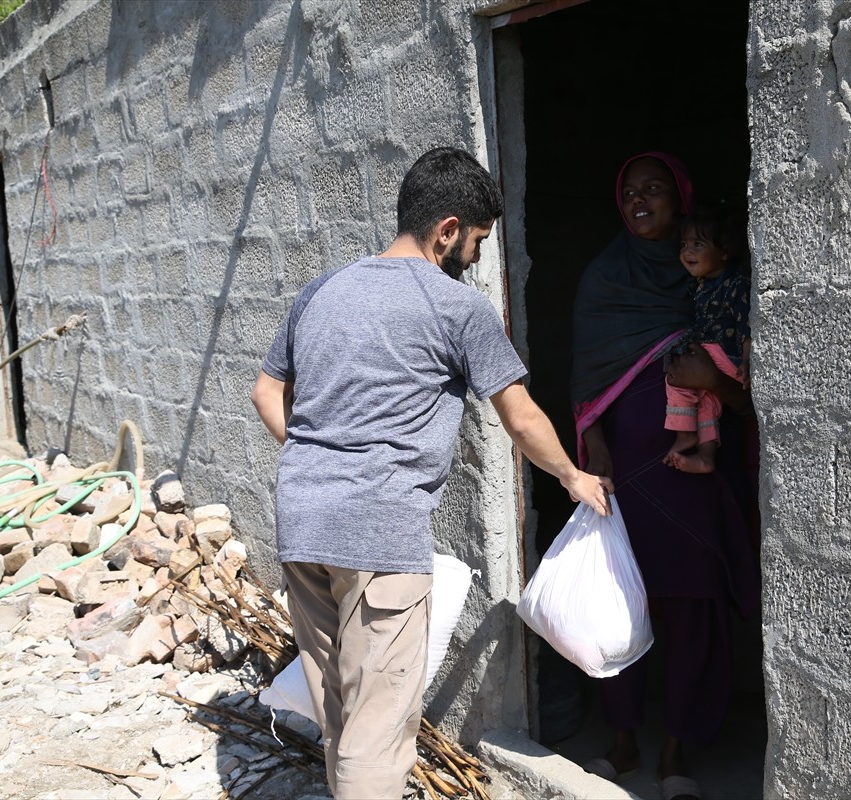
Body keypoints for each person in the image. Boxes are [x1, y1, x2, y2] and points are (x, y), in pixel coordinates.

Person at [251, 146, 612, 800]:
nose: (474, 258)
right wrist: (572, 477)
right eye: (475, 242)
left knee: (342, 709)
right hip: (379, 537)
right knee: (381, 730)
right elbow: (523, 419)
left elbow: (265, 392)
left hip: (302, 524)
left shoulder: (323, 290)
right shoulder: (456, 308)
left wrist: (314, 457)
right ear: (446, 230)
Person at [572, 152, 760, 800]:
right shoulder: (603, 282)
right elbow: (584, 386)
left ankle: (676, 750)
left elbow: (746, 389)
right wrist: (595, 454)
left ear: (682, 203)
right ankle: (621, 739)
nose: (641, 198)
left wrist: (716, 383)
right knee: (620, 603)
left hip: (694, 477)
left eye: (656, 188)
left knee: (691, 612)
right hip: (628, 481)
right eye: (630, 189)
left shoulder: (714, 281)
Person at [662, 206, 752, 475]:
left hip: (726, 356)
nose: (687, 251)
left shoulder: (736, 283)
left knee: (676, 371)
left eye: (698, 244)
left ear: (724, 251)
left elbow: (746, 323)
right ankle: (705, 455)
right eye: (684, 244)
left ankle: (683, 432)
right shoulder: (700, 285)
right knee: (707, 403)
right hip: (720, 360)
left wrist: (747, 361)